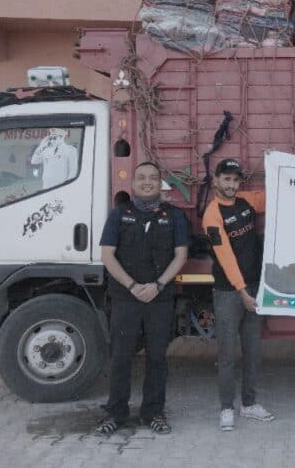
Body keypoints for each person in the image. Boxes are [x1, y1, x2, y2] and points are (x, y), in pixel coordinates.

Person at [95, 162, 189, 436]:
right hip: (125, 298)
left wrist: (158, 285)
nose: (147, 182)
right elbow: (107, 255)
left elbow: (180, 255)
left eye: (152, 178)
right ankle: (115, 413)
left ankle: (153, 413)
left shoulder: (174, 216)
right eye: (141, 178)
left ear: (160, 184)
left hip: (160, 299)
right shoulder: (118, 215)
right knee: (121, 357)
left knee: (157, 357)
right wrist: (133, 286)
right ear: (133, 184)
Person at [203, 158, 275, 431]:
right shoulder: (212, 214)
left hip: (254, 287)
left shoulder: (246, 201)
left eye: (235, 180)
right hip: (229, 292)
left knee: (253, 350)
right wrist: (242, 292)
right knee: (227, 354)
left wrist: (279, 167)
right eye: (227, 179)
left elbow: (278, 197)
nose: (231, 185)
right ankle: (226, 408)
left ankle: (249, 404)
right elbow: (225, 257)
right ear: (216, 181)